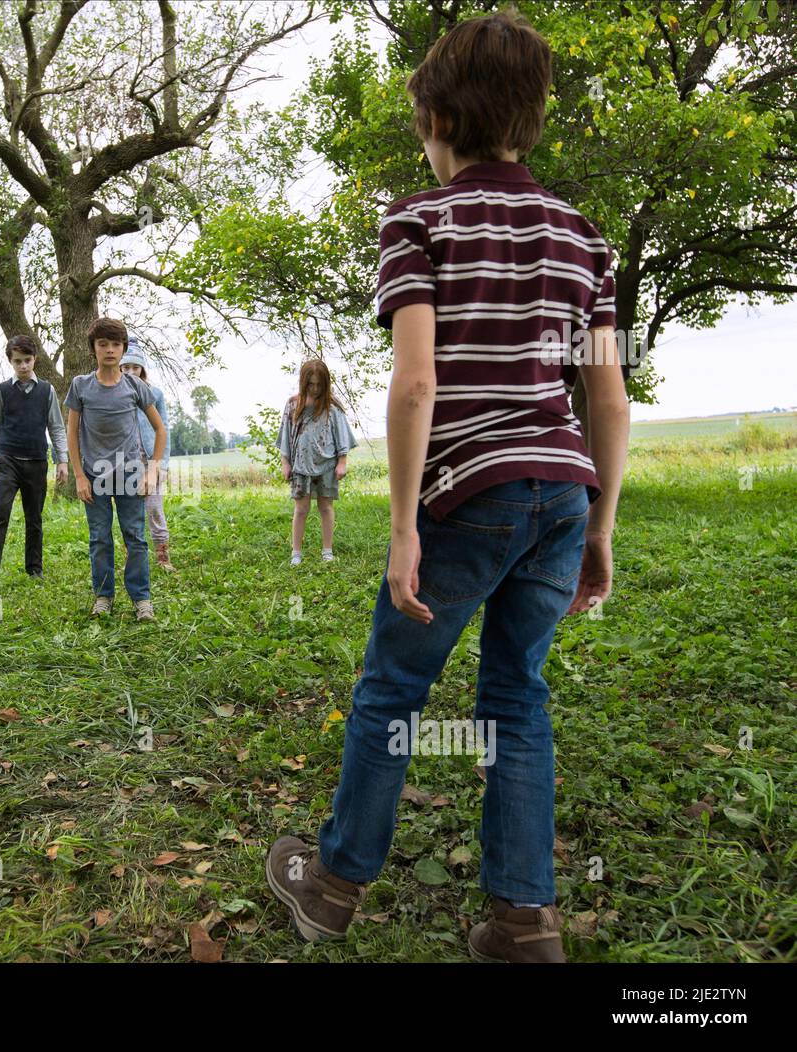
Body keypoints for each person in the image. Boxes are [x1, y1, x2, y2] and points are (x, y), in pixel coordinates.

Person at [264, 9, 630, 963]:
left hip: (468, 492)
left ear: (435, 116)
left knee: (392, 690)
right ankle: (524, 922)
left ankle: (334, 886)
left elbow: (418, 381)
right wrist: (601, 524)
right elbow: (610, 399)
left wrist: (401, 526)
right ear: (530, 117)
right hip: (563, 488)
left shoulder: (416, 222)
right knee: (518, 698)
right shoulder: (587, 240)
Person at [64, 317, 168, 621]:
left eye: (115, 344)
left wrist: (151, 471)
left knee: (135, 536)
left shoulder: (134, 385)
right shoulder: (81, 386)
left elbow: (160, 430)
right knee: (99, 538)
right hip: (94, 476)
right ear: (93, 349)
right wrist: (79, 476)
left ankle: (141, 600)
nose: (109, 350)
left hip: (131, 475)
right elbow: (72, 433)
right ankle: (104, 597)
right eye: (103, 344)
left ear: (123, 348)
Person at [0, 334, 69, 587]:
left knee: (34, 517)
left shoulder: (47, 390)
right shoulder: (2, 390)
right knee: (0, 512)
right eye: (18, 361)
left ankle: (34, 569)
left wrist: (62, 460)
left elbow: (57, 428)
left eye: (27, 360)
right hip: (8, 461)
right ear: (10, 361)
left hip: (37, 461)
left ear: (35, 359)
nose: (23, 366)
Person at [277, 359, 357, 565]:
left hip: (327, 464)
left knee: (326, 507)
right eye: (310, 384)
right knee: (301, 509)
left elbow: (342, 437)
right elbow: (285, 436)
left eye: (319, 385)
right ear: (303, 383)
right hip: (300, 465)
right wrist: (285, 463)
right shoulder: (293, 404)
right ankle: (296, 553)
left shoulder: (332, 406)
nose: (314, 389)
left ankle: (327, 551)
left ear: (325, 383)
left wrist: (342, 462)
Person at [120, 337, 175, 572]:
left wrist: (162, 464)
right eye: (126, 367)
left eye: (135, 367)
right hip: (124, 464)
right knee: (129, 514)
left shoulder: (155, 394)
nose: (131, 371)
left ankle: (163, 558)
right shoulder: (115, 393)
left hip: (150, 462)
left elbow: (164, 429)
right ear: (120, 368)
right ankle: (132, 559)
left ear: (142, 368)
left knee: (154, 509)